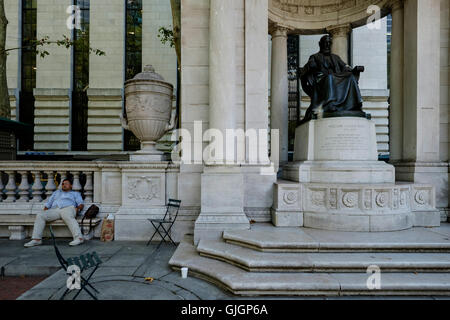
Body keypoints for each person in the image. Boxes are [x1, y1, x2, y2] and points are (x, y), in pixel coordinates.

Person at [299, 34, 365, 124]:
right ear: (320, 44)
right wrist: (310, 67)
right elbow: (308, 67)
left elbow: (345, 66)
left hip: (335, 78)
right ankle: (329, 104)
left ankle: (355, 104)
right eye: (325, 43)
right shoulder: (315, 56)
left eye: (329, 43)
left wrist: (353, 69)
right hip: (321, 80)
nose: (327, 45)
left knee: (350, 77)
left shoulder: (335, 57)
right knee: (329, 78)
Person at [24, 178, 85, 247]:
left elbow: (81, 204)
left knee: (66, 215)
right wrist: (45, 213)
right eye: (63, 184)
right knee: (40, 215)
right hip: (55, 210)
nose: (64, 185)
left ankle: (79, 238)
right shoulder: (56, 192)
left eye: (66, 183)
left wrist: (77, 209)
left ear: (71, 185)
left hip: (68, 208)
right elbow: (48, 204)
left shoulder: (75, 193)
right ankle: (37, 240)